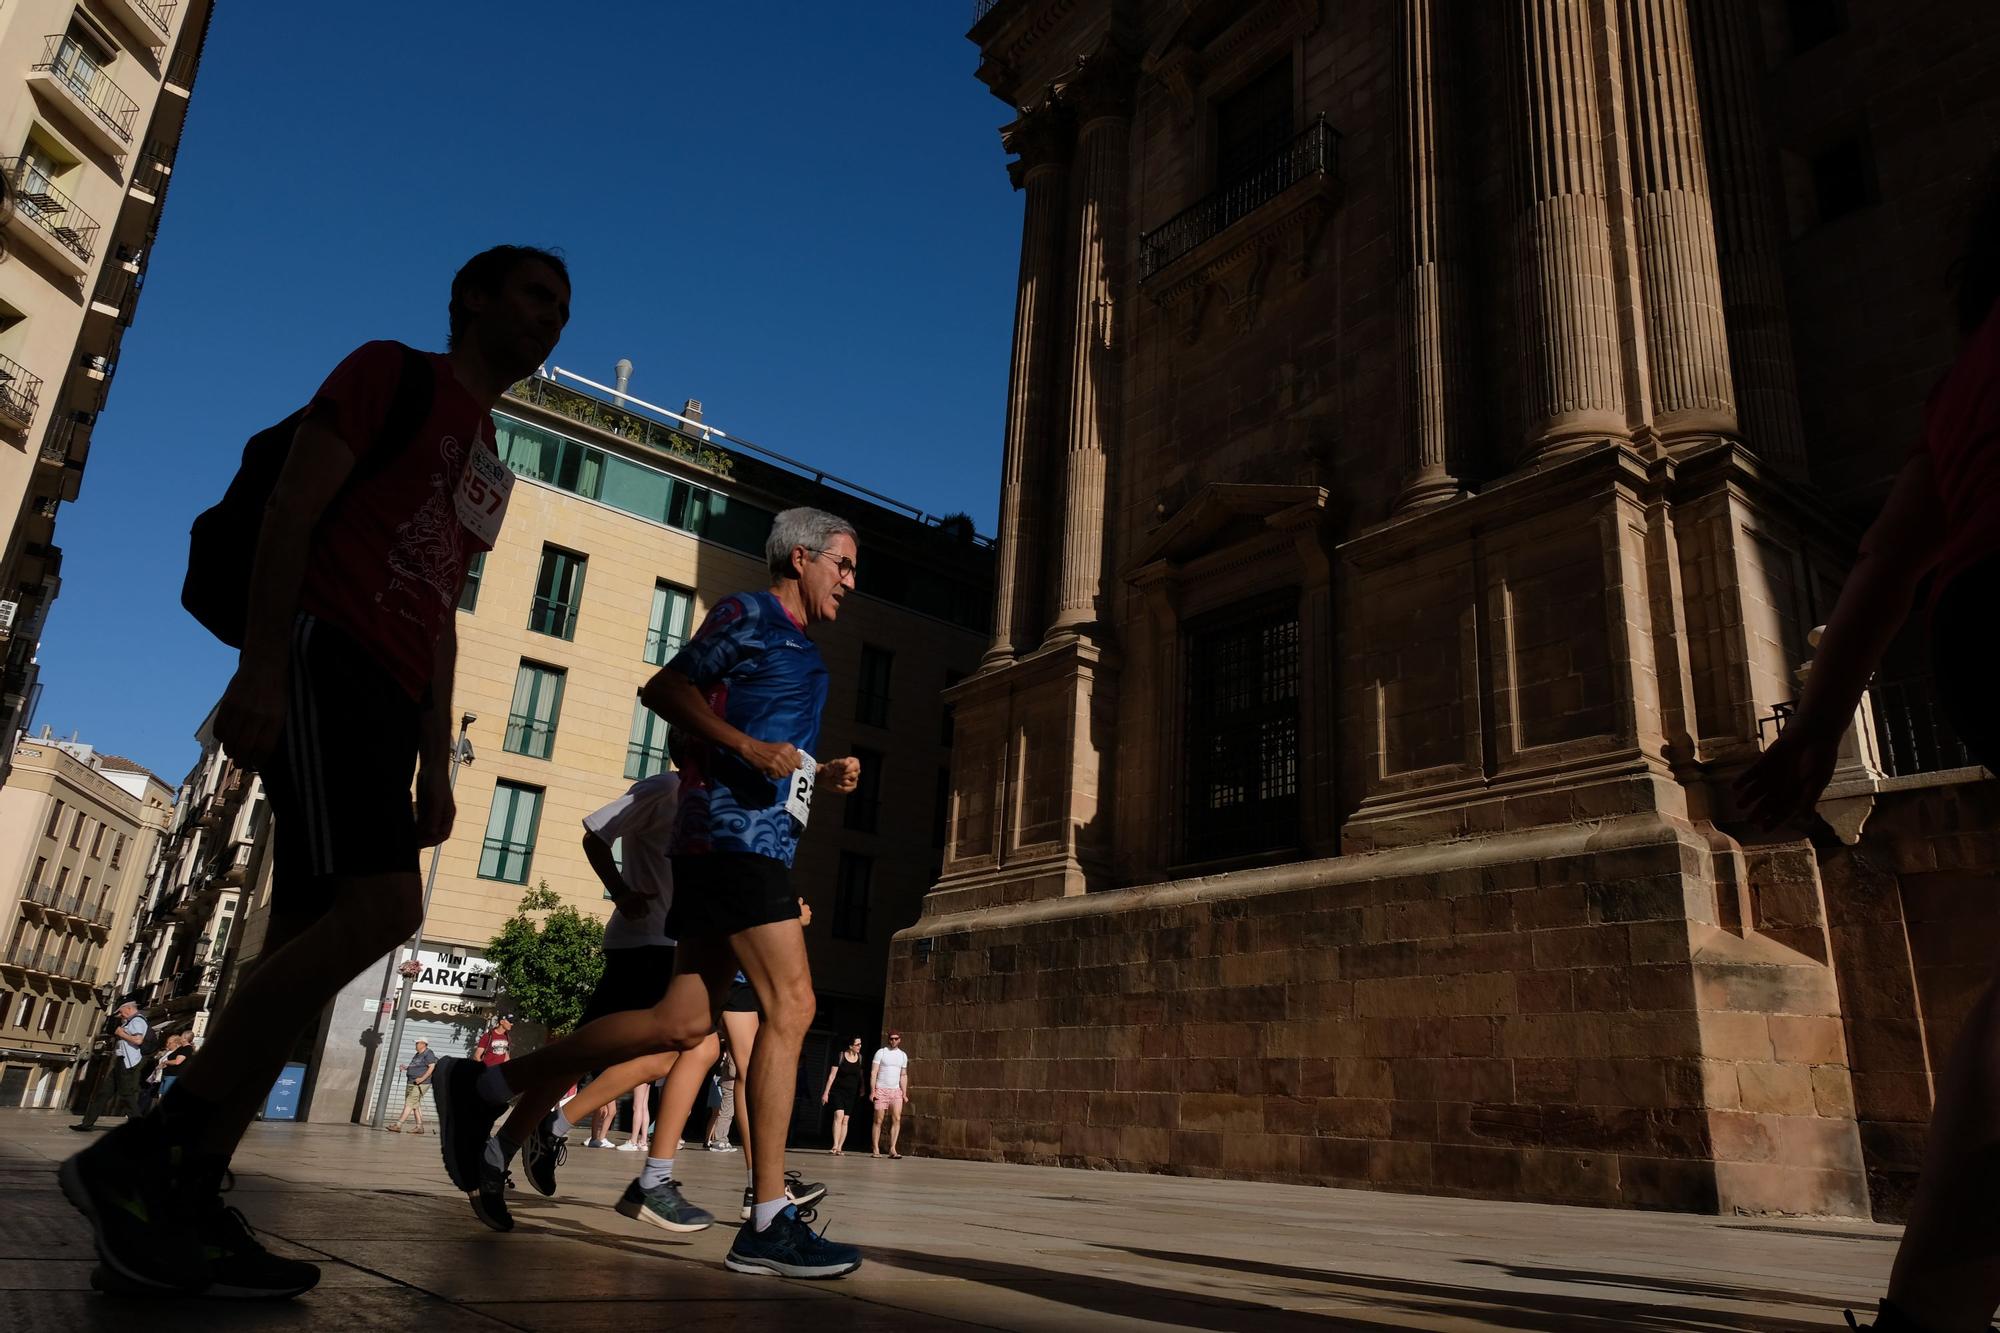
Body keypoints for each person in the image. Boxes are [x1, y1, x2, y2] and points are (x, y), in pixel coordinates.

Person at [58, 244, 571, 1301]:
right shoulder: (391, 372)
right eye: (533, 295)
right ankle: (141, 1155)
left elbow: (441, 611)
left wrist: (436, 761)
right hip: (321, 651)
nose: (550, 318)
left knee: (301, 940)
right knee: (385, 906)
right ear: (472, 296)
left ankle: (187, 1192)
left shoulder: (490, 464)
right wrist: (258, 664)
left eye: (562, 308)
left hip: (387, 689)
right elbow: (294, 505)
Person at [430, 507, 865, 1279]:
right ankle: (768, 1216)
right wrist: (746, 747)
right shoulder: (749, 613)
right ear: (800, 557)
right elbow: (666, 687)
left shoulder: (799, 649)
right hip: (732, 843)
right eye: (843, 563)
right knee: (792, 1008)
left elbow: (767, 742)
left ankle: (484, 1082)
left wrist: (815, 771)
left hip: (738, 845)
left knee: (681, 1020)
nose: (849, 580)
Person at [1736, 165, 2000, 1333]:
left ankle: (1931, 1312)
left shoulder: (1962, 378)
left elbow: (1888, 556)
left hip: (1975, 623)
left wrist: (1809, 735)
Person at [469, 769, 718, 1234]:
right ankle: (509, 1122)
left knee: (601, 1055)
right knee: (665, 1049)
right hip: (645, 944)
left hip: (675, 945)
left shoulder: (716, 797)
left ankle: (519, 1134)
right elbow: (596, 835)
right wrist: (622, 892)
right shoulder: (663, 790)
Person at [73, 1002, 149, 1130]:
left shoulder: (137, 1021)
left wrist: (120, 1033)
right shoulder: (130, 1022)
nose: (120, 1015)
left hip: (127, 1062)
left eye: (121, 1012)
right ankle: (86, 1124)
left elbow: (138, 1040)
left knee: (126, 1095)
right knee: (103, 1093)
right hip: (121, 1061)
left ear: (129, 1009)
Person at [869, 1032, 911, 1159]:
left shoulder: (903, 1055)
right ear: (888, 1040)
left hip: (895, 1090)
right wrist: (873, 1090)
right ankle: (875, 1148)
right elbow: (874, 1072)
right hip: (881, 1089)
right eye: (891, 1039)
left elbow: (903, 1075)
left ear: (899, 1040)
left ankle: (892, 1148)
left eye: (895, 1039)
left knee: (896, 1118)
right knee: (878, 1120)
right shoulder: (881, 1052)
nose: (893, 1041)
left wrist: (904, 1093)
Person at [822, 1036, 865, 1154]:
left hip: (851, 1093)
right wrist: (826, 1093)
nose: (860, 1046)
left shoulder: (860, 1058)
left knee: (846, 1120)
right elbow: (832, 1076)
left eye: (860, 1044)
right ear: (850, 1046)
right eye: (857, 1044)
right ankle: (835, 1146)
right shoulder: (840, 1056)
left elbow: (861, 1076)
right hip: (838, 1092)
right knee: (838, 1115)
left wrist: (862, 1087)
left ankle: (840, 1147)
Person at [390, 1039, 437, 1133]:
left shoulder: (428, 1053)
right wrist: (407, 1067)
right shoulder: (418, 1054)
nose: (416, 1044)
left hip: (421, 1083)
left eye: (417, 1043)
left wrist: (422, 1078)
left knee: (409, 1103)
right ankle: (419, 1127)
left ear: (424, 1044)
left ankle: (398, 1125)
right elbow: (417, 1065)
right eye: (416, 1043)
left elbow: (432, 1066)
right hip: (411, 1081)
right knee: (415, 1105)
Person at [137, 1032, 187, 1119]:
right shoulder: (167, 1052)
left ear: (176, 1043)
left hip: (164, 1077)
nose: (167, 1044)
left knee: (154, 1096)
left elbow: (173, 1063)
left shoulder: (175, 1054)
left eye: (169, 1043)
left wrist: (164, 1064)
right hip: (157, 1077)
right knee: (150, 1095)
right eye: (167, 1042)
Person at [706, 1040, 739, 1150]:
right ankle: (718, 1140)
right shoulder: (732, 1049)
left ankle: (723, 1139)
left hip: (731, 1084)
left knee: (728, 1113)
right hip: (729, 1084)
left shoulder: (733, 1048)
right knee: (724, 1112)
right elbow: (732, 1071)